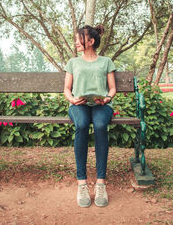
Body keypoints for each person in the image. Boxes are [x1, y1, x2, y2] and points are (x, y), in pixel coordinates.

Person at [64, 24, 116, 208]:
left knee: (101, 126)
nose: (77, 42)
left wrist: (107, 98)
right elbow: (66, 89)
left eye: (80, 39)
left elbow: (112, 88)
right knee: (82, 125)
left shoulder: (106, 62)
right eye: (77, 39)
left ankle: (101, 183)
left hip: (101, 105)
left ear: (91, 41)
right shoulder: (73, 62)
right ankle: (82, 184)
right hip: (79, 106)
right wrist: (72, 99)